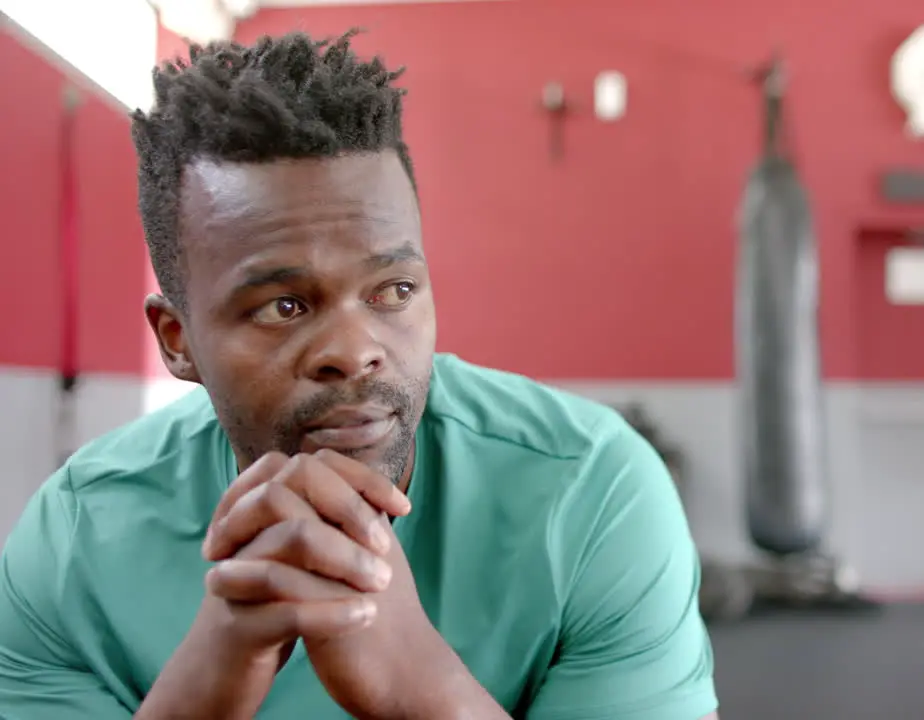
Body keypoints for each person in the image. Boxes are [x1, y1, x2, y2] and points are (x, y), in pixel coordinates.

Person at [0, 29, 719, 720]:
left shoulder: (591, 491)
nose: (353, 348)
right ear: (178, 339)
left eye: (394, 291)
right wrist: (209, 685)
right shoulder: (76, 541)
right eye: (284, 305)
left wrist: (424, 690)